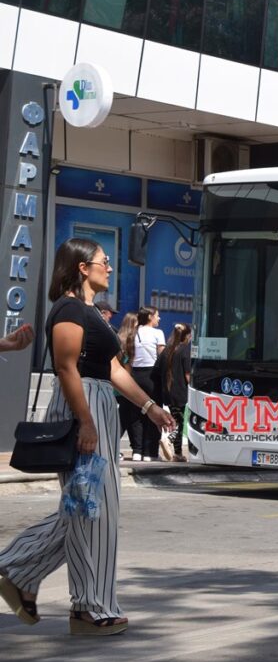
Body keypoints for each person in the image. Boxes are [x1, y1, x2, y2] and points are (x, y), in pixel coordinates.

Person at [0, 238, 173, 636]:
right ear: (82, 268)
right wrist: (87, 422)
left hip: (98, 405)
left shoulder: (92, 312)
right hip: (82, 408)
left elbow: (113, 370)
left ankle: (21, 572)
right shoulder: (68, 309)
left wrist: (150, 408)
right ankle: (88, 607)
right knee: (91, 510)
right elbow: (65, 368)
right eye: (103, 262)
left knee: (89, 509)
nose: (109, 268)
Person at [130, 306, 164, 461]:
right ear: (150, 316)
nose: (159, 318)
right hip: (152, 375)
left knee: (137, 413)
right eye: (157, 316)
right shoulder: (158, 333)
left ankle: (137, 451)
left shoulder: (134, 331)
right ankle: (150, 452)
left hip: (135, 374)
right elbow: (162, 356)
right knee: (155, 411)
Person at [154, 323, 191, 462]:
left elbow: (156, 369)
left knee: (176, 420)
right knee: (179, 422)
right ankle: (168, 440)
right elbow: (188, 374)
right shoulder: (185, 350)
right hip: (180, 392)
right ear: (186, 336)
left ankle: (178, 454)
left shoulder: (167, 350)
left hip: (167, 392)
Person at [115, 312, 139, 459]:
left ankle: (136, 448)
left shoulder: (117, 338)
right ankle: (134, 448)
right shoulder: (130, 341)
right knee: (125, 419)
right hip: (124, 384)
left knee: (126, 417)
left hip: (114, 385)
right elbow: (127, 366)